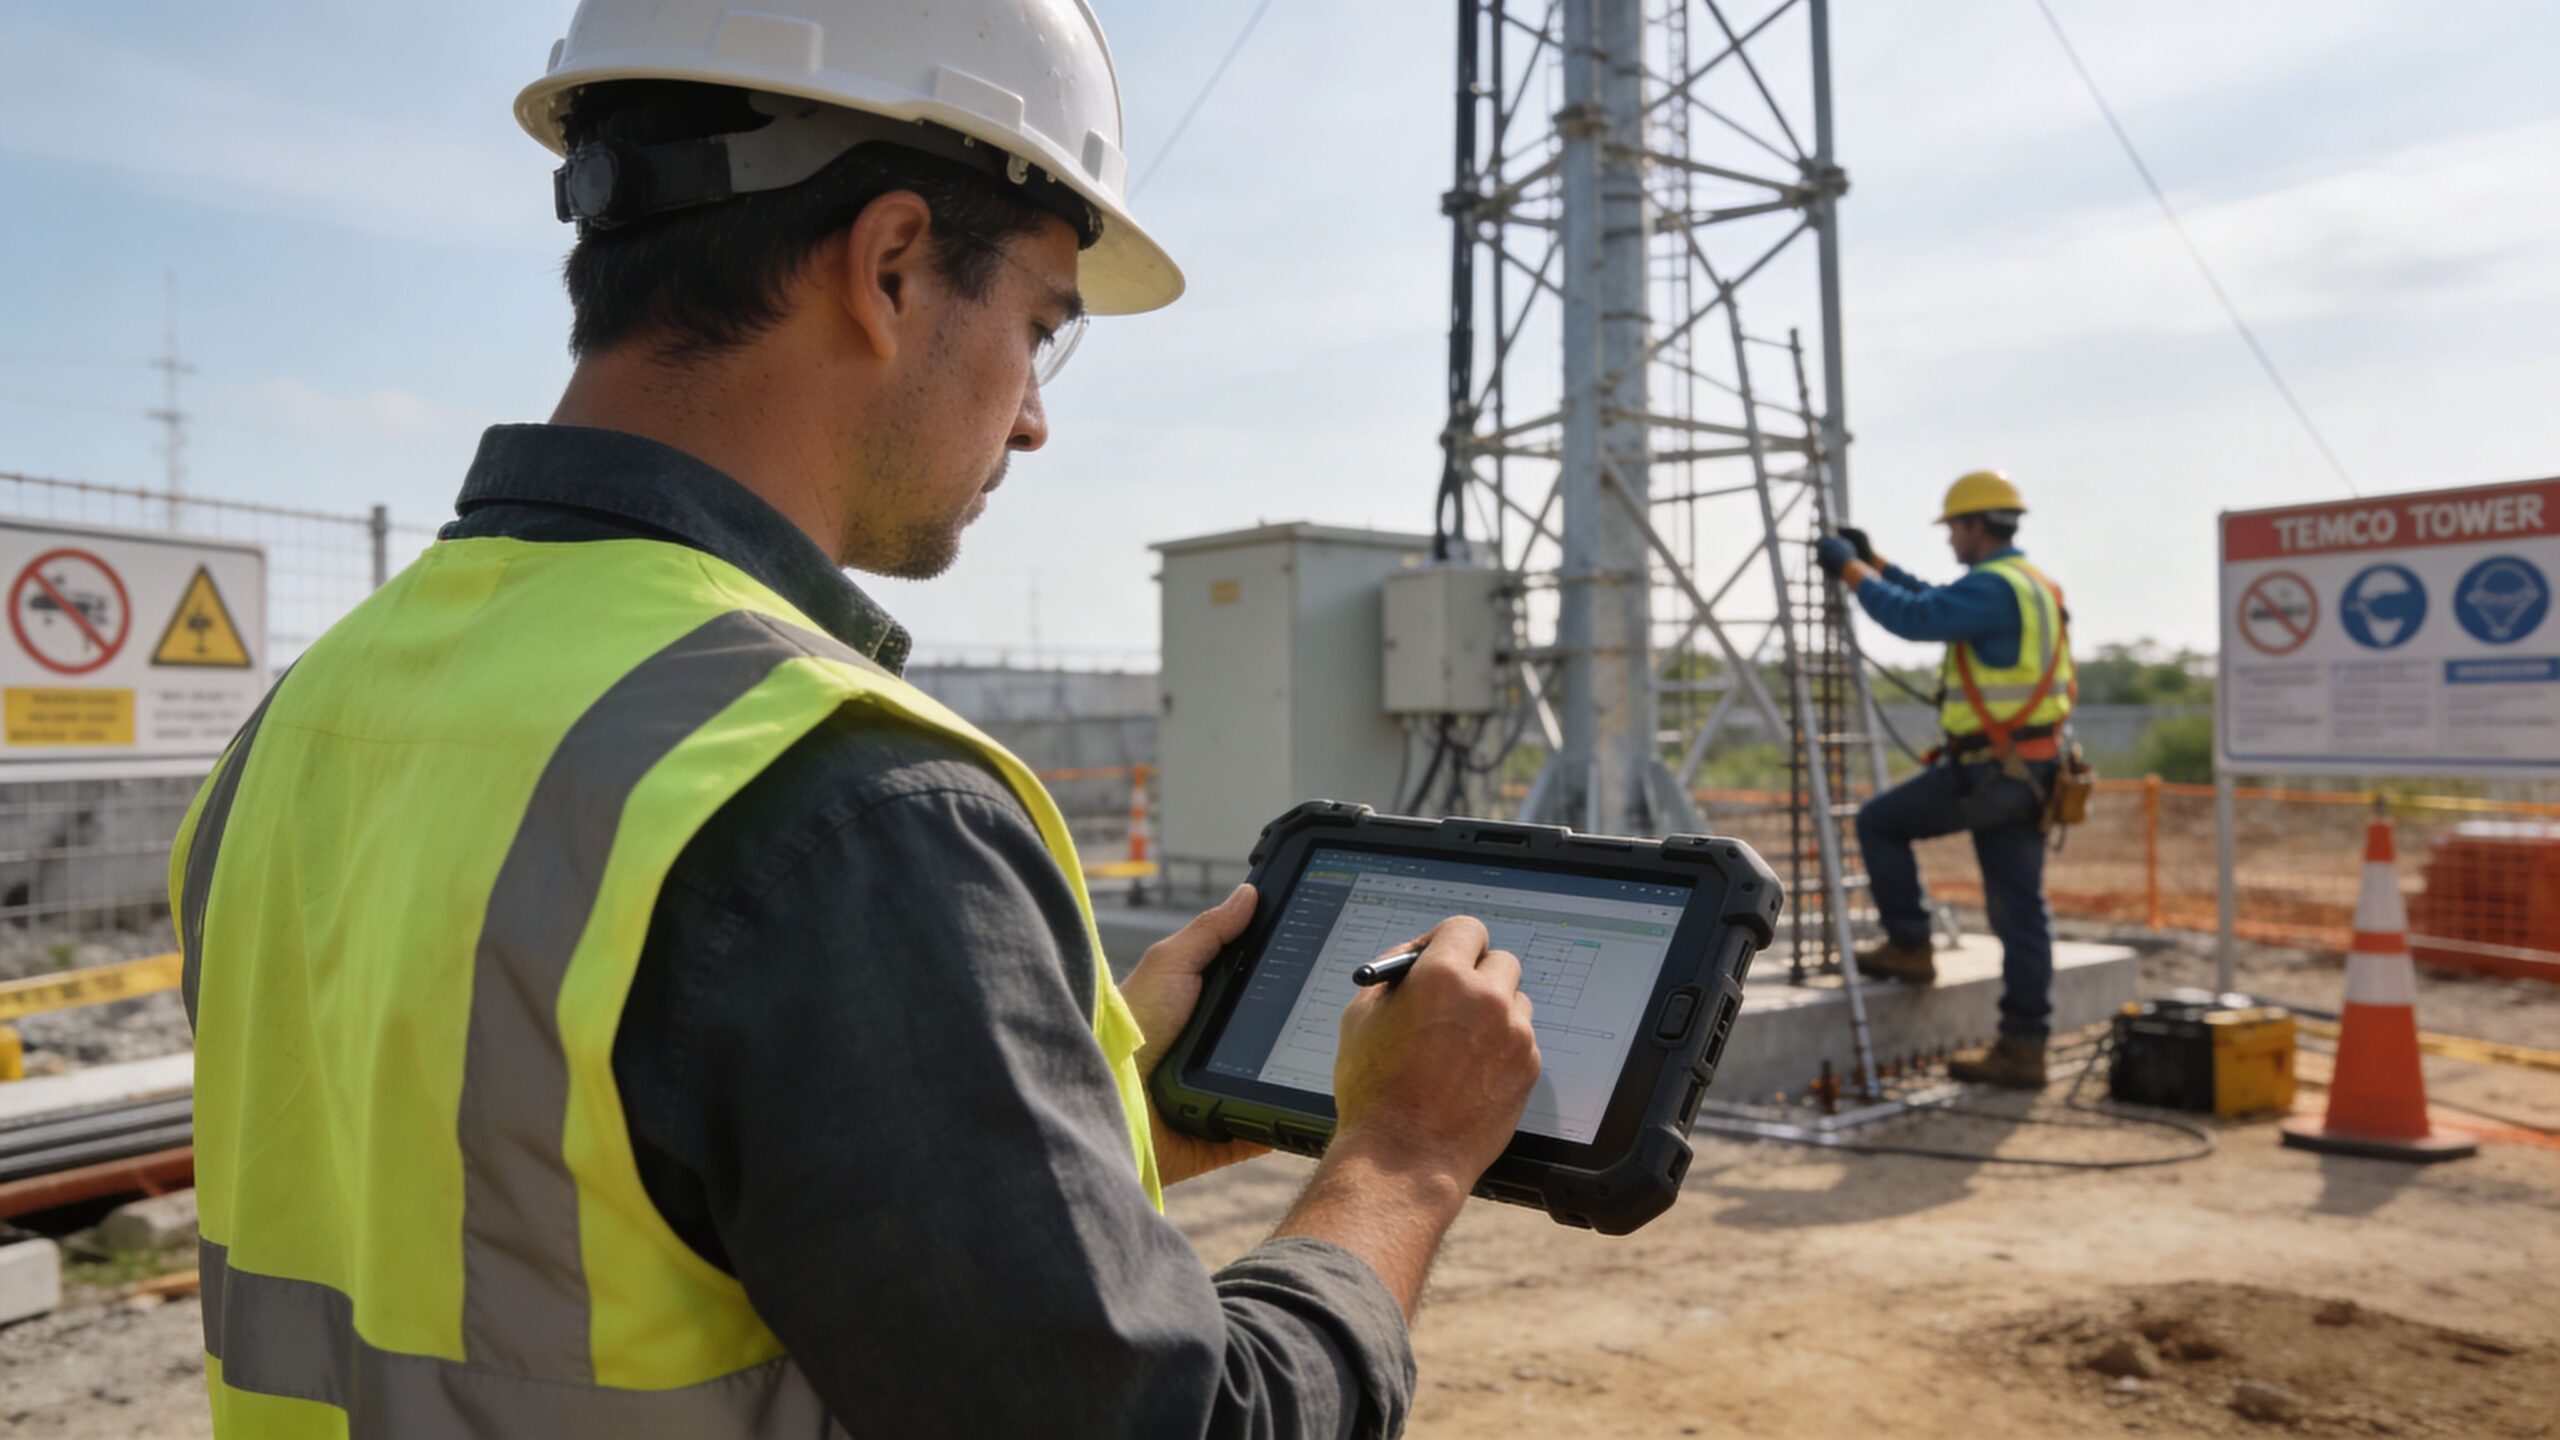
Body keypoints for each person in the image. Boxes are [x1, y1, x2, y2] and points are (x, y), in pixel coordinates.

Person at [168, 3, 1541, 1434]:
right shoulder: (837, 802)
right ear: (889, 266)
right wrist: (1401, 1157)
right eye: (1039, 328)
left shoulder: (309, 714)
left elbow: (546, 1192)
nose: (1031, 422)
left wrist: (1097, 1099)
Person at [1813, 470, 2076, 1089]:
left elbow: (1914, 616)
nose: (1950, 539)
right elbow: (1936, 597)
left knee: (1880, 821)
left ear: (1975, 525)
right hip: (2029, 769)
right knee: (2021, 914)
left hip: (1994, 770)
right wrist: (1874, 559)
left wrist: (1850, 572)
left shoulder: (1991, 589)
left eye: (1954, 528)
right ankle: (2023, 1045)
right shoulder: (2029, 583)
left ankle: (1910, 945)